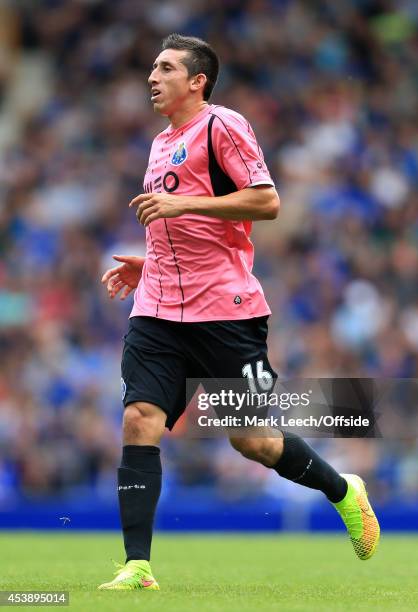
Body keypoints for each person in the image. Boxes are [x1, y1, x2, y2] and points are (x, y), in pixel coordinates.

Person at [98, 33, 380, 591]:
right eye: (152, 68)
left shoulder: (221, 125)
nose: (152, 77)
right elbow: (179, 226)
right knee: (139, 421)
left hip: (226, 311)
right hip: (157, 311)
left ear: (197, 80)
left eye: (165, 68)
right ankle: (138, 566)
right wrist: (149, 263)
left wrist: (182, 203)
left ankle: (344, 490)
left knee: (250, 439)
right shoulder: (160, 144)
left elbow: (266, 200)